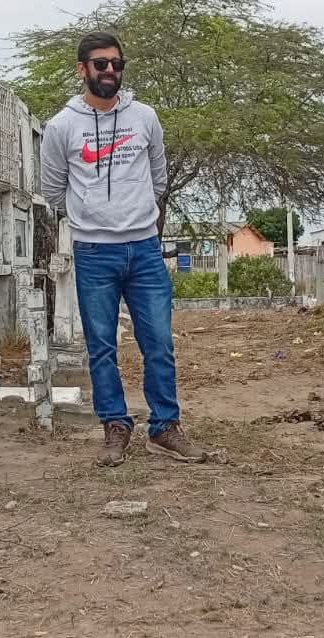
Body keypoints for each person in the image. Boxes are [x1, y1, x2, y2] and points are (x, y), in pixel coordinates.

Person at [39, 32, 213, 467]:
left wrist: (134, 215)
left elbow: (158, 176)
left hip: (144, 249)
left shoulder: (144, 117)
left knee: (159, 342)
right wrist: (92, 215)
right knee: (101, 347)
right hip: (95, 252)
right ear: (82, 69)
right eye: (100, 64)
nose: (110, 71)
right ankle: (115, 427)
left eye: (117, 64)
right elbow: (53, 190)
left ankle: (165, 428)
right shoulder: (62, 127)